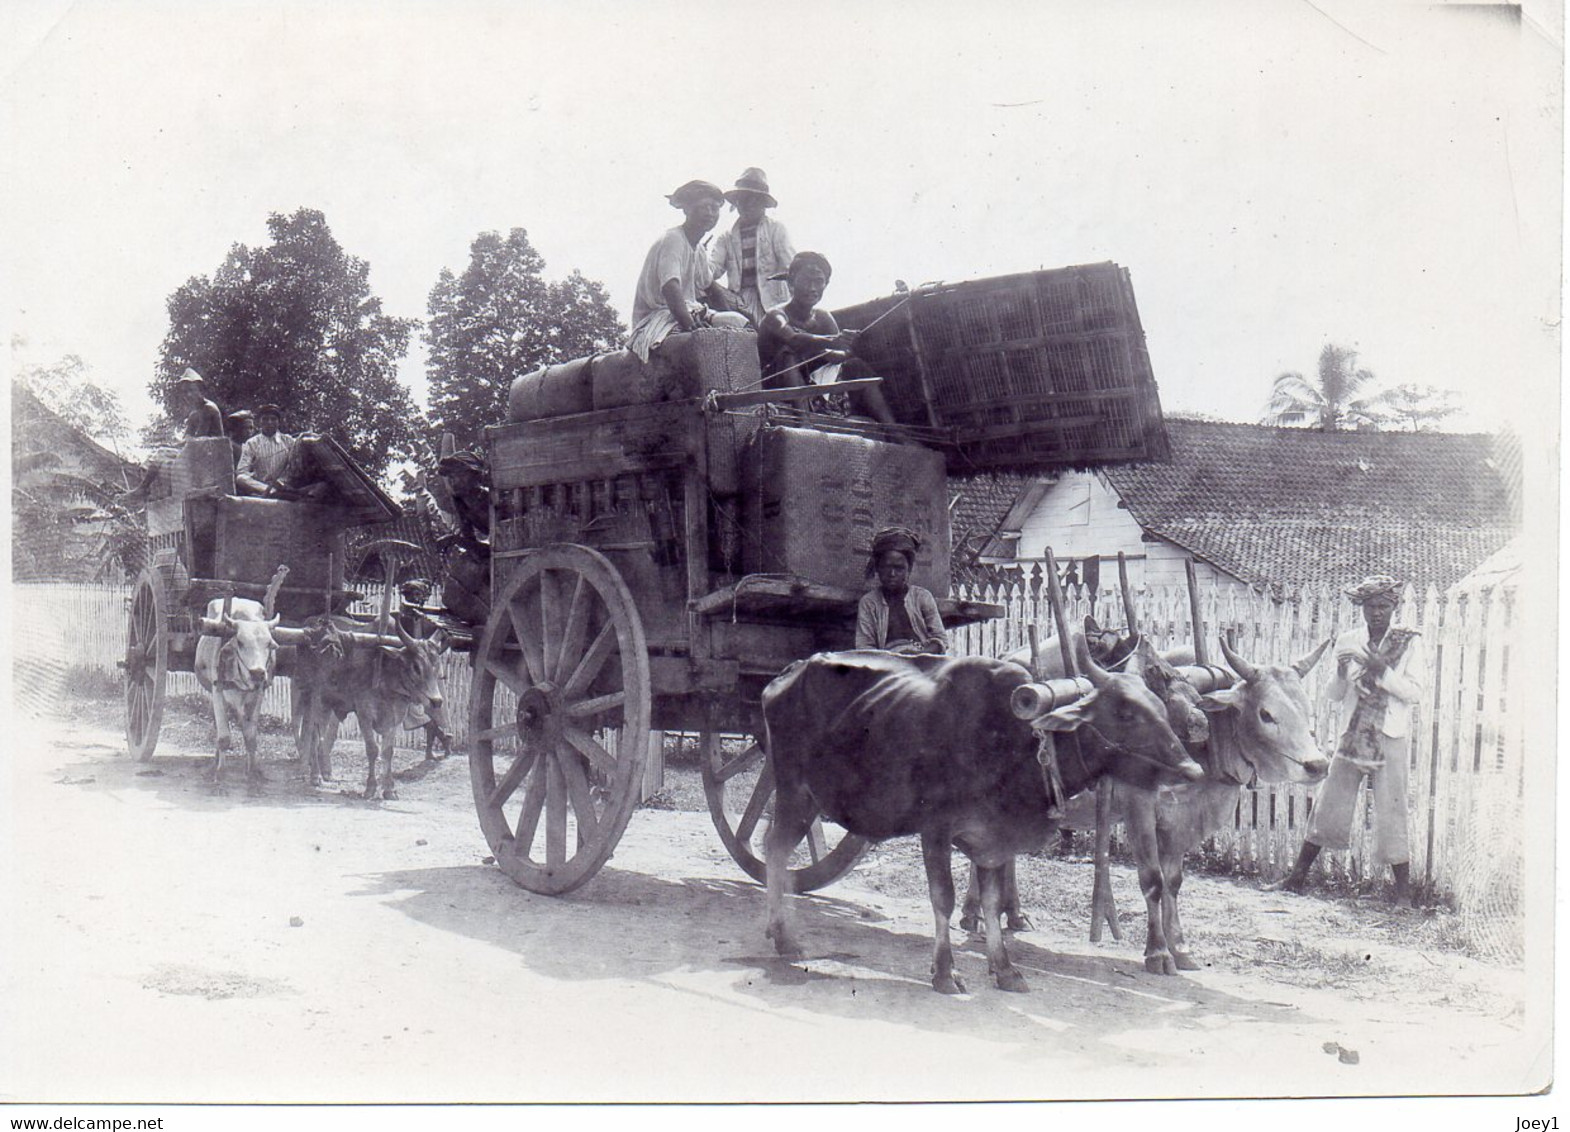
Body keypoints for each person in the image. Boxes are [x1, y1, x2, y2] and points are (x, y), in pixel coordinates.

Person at [1275, 574, 1427, 904]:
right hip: (1353, 733)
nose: (1376, 613)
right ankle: (1296, 878)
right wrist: (1343, 674)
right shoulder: (1348, 640)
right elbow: (1334, 694)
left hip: (1389, 734)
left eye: (1384, 606)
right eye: (1371, 606)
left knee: (1392, 808)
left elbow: (1414, 693)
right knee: (1330, 801)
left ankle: (1403, 895)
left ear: (1394, 607)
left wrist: (1381, 671)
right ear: (1362, 607)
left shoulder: (1408, 642)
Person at [756, 252, 897, 424]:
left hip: (815, 387)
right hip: (781, 387)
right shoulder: (776, 316)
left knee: (856, 365)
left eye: (819, 281)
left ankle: (894, 430)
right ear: (791, 282)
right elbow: (793, 339)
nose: (812, 288)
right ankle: (804, 422)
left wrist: (834, 350)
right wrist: (830, 343)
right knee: (788, 355)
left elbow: (842, 354)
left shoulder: (823, 317)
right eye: (807, 280)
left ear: (826, 284)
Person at [626, 180, 750, 362]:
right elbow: (670, 287)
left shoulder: (698, 248)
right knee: (697, 343)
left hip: (686, 311)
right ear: (687, 209)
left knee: (739, 323)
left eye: (714, 209)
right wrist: (690, 325)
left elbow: (710, 286)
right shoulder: (673, 239)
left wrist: (729, 314)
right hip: (657, 317)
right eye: (704, 207)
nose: (710, 214)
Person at [708, 168, 796, 325]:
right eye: (743, 199)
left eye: (753, 199)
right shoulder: (726, 238)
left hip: (771, 302)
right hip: (740, 302)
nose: (747, 204)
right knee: (709, 286)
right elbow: (712, 270)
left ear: (763, 203)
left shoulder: (776, 229)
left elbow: (791, 268)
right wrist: (697, 255)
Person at [855, 526, 947, 654]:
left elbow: (941, 640)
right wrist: (894, 658)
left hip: (923, 660)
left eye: (899, 568)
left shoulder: (922, 597)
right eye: (886, 567)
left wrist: (918, 655)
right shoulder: (869, 603)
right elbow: (864, 647)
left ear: (908, 569)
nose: (892, 573)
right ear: (878, 568)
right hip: (888, 664)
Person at [235, 405, 297, 496]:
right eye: (265, 419)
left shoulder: (289, 441)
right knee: (240, 478)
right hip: (260, 485)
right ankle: (272, 492)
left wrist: (281, 482)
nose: (269, 422)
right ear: (259, 422)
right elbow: (242, 470)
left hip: (282, 484)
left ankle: (276, 491)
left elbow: (293, 467)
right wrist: (256, 479)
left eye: (273, 419)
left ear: (279, 422)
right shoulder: (252, 443)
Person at [176, 369, 224, 438]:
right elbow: (186, 438)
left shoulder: (208, 408)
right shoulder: (193, 414)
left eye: (191, 390)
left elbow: (200, 437)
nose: (188, 395)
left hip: (214, 448)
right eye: (185, 392)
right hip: (201, 447)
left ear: (200, 390)